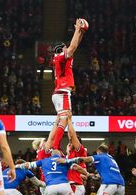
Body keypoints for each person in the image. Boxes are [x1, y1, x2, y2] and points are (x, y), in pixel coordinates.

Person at [63, 113, 101, 195]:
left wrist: (69, 121)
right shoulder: (72, 152)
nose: (70, 142)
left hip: (74, 185)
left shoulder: (80, 150)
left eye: (71, 141)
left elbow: (72, 135)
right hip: (77, 185)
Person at [51, 18, 86, 150]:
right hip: (62, 92)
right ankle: (55, 147)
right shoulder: (60, 56)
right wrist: (77, 29)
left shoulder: (60, 59)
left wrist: (81, 33)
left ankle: (55, 146)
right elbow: (72, 47)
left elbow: (74, 46)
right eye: (65, 47)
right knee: (65, 119)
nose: (68, 47)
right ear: (61, 49)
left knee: (63, 119)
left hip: (59, 91)